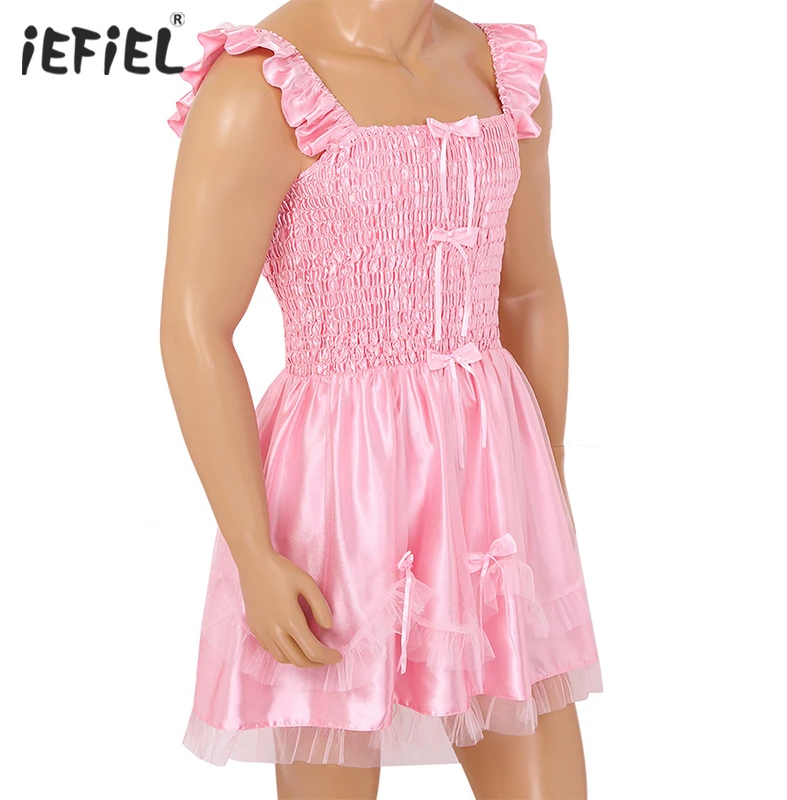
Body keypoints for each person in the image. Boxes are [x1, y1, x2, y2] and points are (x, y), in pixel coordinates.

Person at [160, 2, 602, 797]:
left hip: (491, 483)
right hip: (340, 489)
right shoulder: (260, 89)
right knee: (331, 756)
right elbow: (195, 324)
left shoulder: (500, 72)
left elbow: (528, 290)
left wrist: (550, 481)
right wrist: (253, 550)